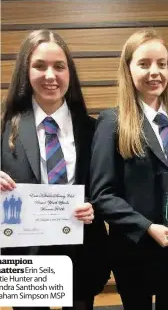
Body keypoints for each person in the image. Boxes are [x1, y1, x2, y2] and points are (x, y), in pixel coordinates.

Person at [89, 29, 168, 310]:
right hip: (135, 250)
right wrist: (147, 228)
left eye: (162, 64)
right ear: (128, 69)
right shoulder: (112, 122)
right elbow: (102, 195)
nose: (155, 72)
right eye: (144, 63)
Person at [0, 29, 110, 310]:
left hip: (82, 251)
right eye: (40, 66)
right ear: (25, 71)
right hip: (25, 258)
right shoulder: (3, 128)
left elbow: (108, 188)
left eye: (59, 66)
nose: (51, 75)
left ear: (69, 73)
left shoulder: (94, 129)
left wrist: (95, 206)